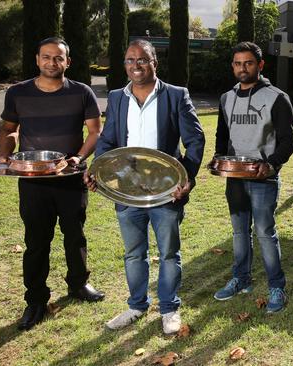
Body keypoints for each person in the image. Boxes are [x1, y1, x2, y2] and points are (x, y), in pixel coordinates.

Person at [85, 39, 205, 334]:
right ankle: (137, 306)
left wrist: (185, 178)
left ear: (154, 63)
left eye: (142, 60)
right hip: (127, 190)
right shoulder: (116, 97)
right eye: (129, 60)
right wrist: (97, 170)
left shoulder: (176, 95)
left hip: (165, 191)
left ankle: (169, 309)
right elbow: (108, 141)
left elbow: (195, 140)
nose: (135, 66)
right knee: (133, 253)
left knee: (168, 253)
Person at [0, 37, 104, 331]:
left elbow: (95, 132)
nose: (52, 63)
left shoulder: (82, 92)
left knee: (75, 235)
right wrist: (4, 156)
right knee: (36, 241)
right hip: (33, 180)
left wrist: (78, 158)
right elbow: (9, 130)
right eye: (46, 57)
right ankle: (35, 300)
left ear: (67, 62)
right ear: (37, 59)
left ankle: (78, 285)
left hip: (70, 178)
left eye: (58, 58)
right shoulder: (18, 93)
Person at [212, 42, 293, 314]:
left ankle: (276, 287)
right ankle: (242, 279)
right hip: (235, 177)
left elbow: (288, 141)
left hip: (263, 179)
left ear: (260, 65)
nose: (242, 68)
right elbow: (222, 136)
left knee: (264, 232)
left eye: (248, 63)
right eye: (237, 63)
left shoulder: (276, 97)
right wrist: (218, 158)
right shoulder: (227, 98)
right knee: (239, 232)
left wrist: (271, 166)